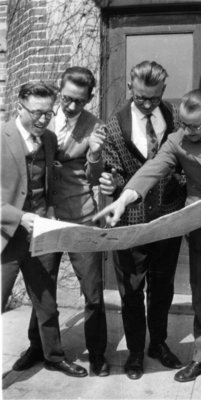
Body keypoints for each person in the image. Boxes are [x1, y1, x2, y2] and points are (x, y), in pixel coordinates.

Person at [94, 89, 201, 399]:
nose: (184, 130)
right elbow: (151, 170)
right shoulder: (178, 140)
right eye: (181, 123)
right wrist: (124, 200)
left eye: (192, 126)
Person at [99, 60, 186, 380]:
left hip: (168, 219)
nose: (147, 104)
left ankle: (158, 344)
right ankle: (136, 351)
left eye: (153, 98)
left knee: (162, 288)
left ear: (163, 91)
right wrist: (110, 183)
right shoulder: (114, 125)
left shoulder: (176, 117)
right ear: (131, 90)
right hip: (130, 223)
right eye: (140, 98)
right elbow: (111, 169)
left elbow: (185, 160)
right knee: (131, 291)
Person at [1, 82, 87, 377]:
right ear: (19, 106)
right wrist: (19, 217)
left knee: (46, 301)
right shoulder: (1, 136)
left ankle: (53, 356)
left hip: (40, 234)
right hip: (5, 237)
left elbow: (50, 181)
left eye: (48, 113)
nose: (42, 119)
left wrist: (49, 210)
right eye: (36, 113)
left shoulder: (50, 139)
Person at [47, 66, 108, 377]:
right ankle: (42, 349)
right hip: (44, 215)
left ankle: (97, 354)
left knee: (93, 291)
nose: (71, 106)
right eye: (67, 98)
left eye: (79, 102)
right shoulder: (42, 116)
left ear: (90, 99)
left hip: (81, 213)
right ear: (59, 90)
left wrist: (95, 154)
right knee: (42, 289)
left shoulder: (95, 126)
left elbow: (96, 176)